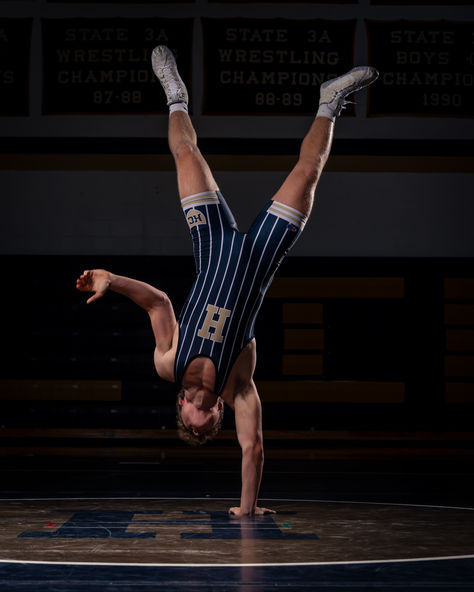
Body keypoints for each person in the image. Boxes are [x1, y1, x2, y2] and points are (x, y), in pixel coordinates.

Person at [76, 46, 378, 517]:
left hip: (212, 245)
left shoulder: (168, 364)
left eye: (194, 430)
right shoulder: (240, 387)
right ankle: (329, 103)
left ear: (181, 408)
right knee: (309, 173)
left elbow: (157, 303)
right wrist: (247, 508)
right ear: (219, 414)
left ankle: (175, 95)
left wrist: (111, 279)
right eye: (209, 429)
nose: (203, 427)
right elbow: (252, 449)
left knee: (183, 152)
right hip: (258, 256)